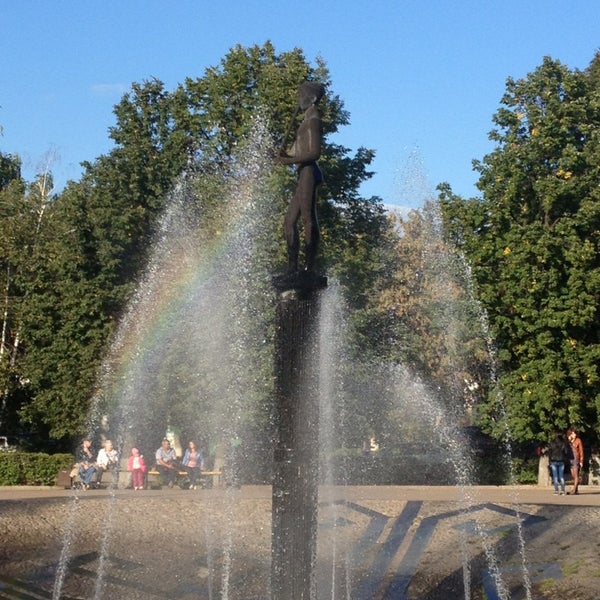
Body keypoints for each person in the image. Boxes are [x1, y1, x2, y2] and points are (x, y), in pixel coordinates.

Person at [276, 81, 325, 275]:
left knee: (307, 218)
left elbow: (314, 153)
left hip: (309, 172)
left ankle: (309, 267)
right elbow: (296, 152)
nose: (299, 100)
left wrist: (287, 161)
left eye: (301, 96)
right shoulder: (305, 121)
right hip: (302, 172)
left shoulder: (313, 120)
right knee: (289, 221)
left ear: (312, 98)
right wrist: (283, 155)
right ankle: (292, 267)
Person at [547, 431, 569, 495]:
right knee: (561, 476)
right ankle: (563, 490)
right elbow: (566, 452)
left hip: (553, 461)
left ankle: (556, 490)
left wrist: (550, 461)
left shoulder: (552, 443)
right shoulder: (563, 443)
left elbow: (549, 453)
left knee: (555, 477)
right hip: (561, 461)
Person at [567, 427, 584, 495]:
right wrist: (569, 440)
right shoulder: (568, 441)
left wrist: (581, 461)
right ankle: (576, 490)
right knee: (573, 475)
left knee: (576, 475)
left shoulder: (578, 440)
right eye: (572, 433)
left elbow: (581, 451)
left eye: (574, 433)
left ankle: (573, 490)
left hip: (576, 459)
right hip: (570, 459)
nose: (574, 435)